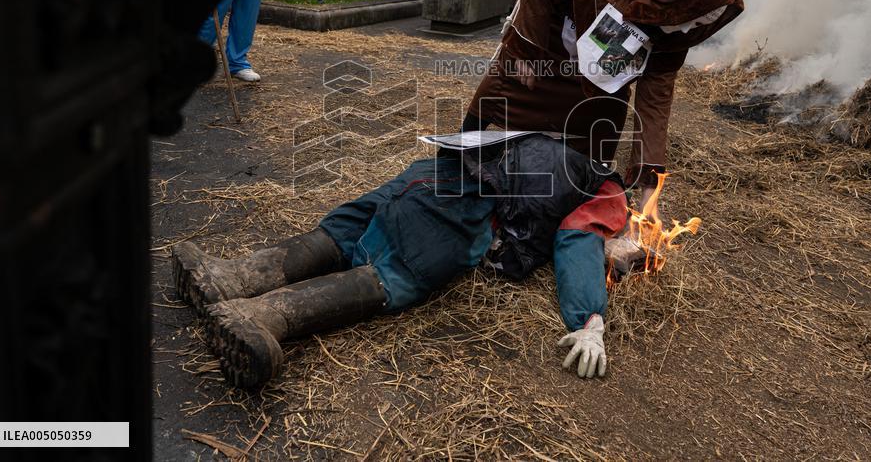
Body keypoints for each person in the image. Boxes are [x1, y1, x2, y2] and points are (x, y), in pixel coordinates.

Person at [173, 132, 627, 388]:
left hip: (434, 169)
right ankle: (264, 317)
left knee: (344, 229)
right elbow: (577, 240)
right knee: (397, 273)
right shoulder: (604, 187)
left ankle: (229, 276)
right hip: (468, 211)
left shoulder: (540, 128)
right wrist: (590, 317)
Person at [464, 0, 745, 212]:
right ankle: (456, 152)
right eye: (690, 17)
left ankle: (581, 192)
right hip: (557, 15)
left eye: (698, 25)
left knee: (604, 113)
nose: (687, 29)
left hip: (612, 53)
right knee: (513, 80)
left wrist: (650, 182)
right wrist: (526, 48)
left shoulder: (679, 34)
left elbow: (655, 104)